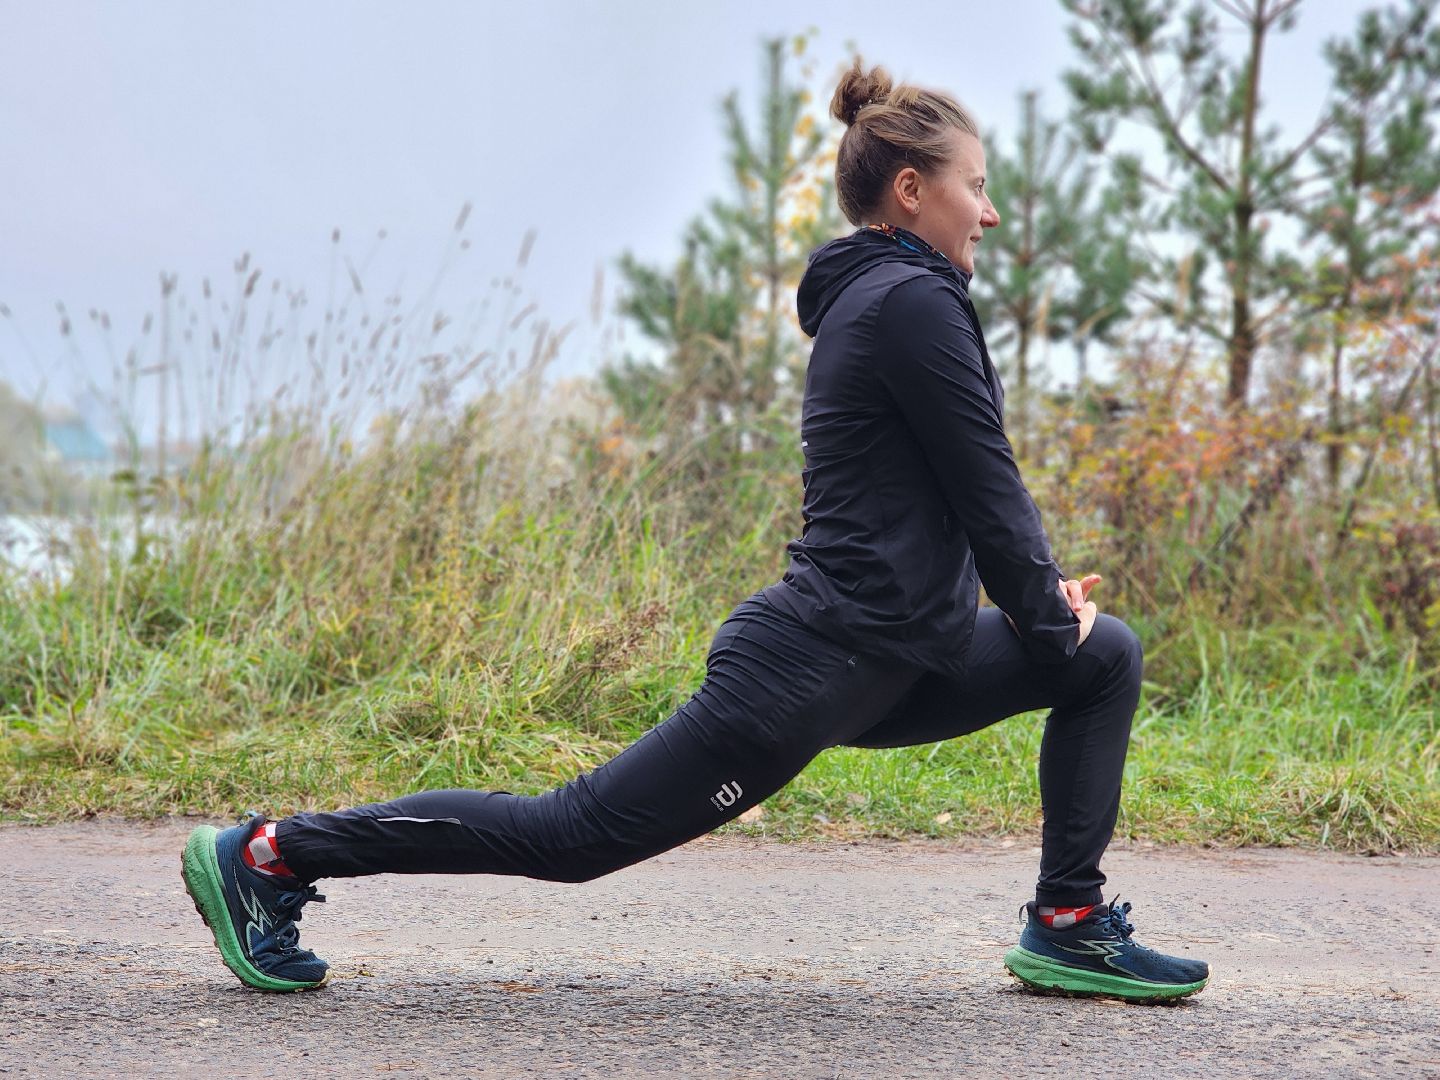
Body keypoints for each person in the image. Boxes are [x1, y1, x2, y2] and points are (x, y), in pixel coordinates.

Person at [181, 58, 1209, 1003]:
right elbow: (988, 487)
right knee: (570, 835)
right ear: (911, 190)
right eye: (974, 186)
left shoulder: (895, 297)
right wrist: (1038, 607)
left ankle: (1068, 924)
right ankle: (271, 854)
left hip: (899, 655)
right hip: (814, 665)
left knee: (1101, 655)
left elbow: (947, 496)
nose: (988, 212)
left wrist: (1047, 613)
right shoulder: (910, 304)